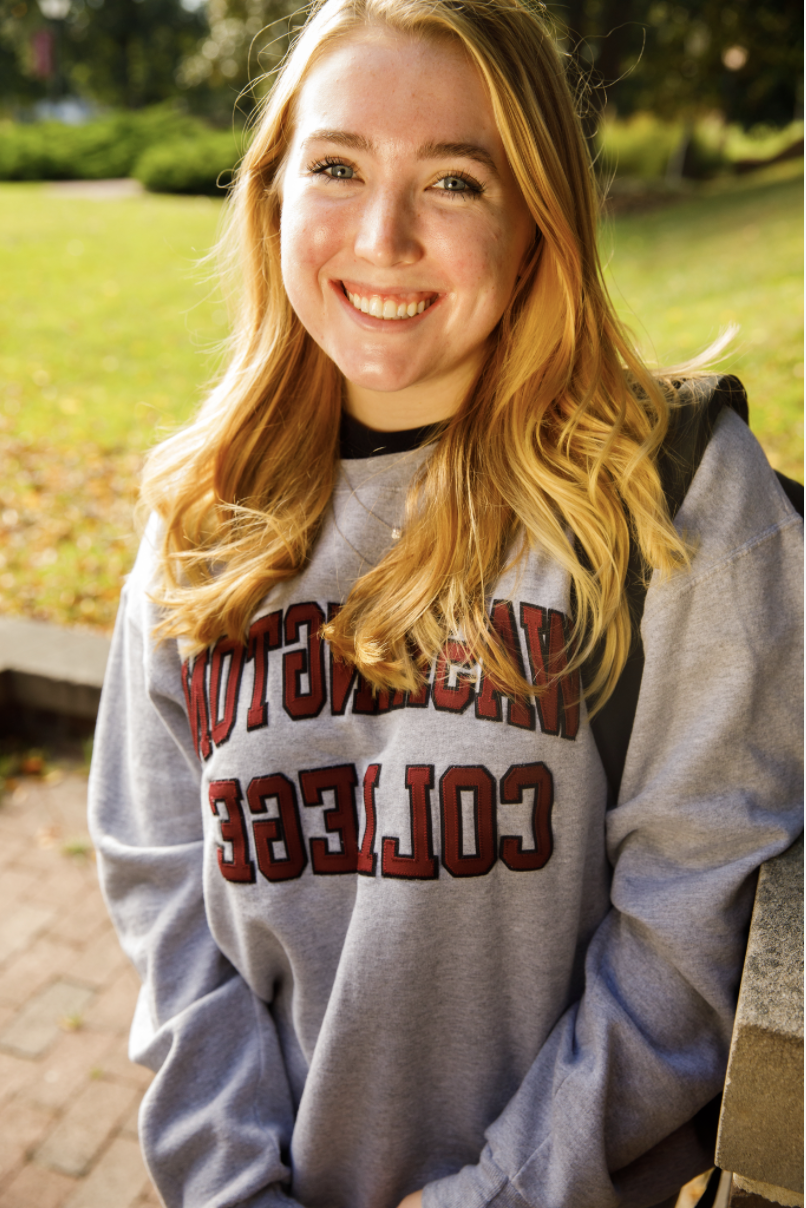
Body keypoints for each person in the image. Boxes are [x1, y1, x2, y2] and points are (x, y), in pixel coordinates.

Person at [87, 0, 804, 1206]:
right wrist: (227, 1182)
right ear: (270, 196)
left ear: (536, 224)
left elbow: (689, 932)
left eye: (455, 182)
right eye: (334, 166)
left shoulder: (672, 496)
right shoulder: (196, 519)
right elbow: (169, 913)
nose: (383, 236)